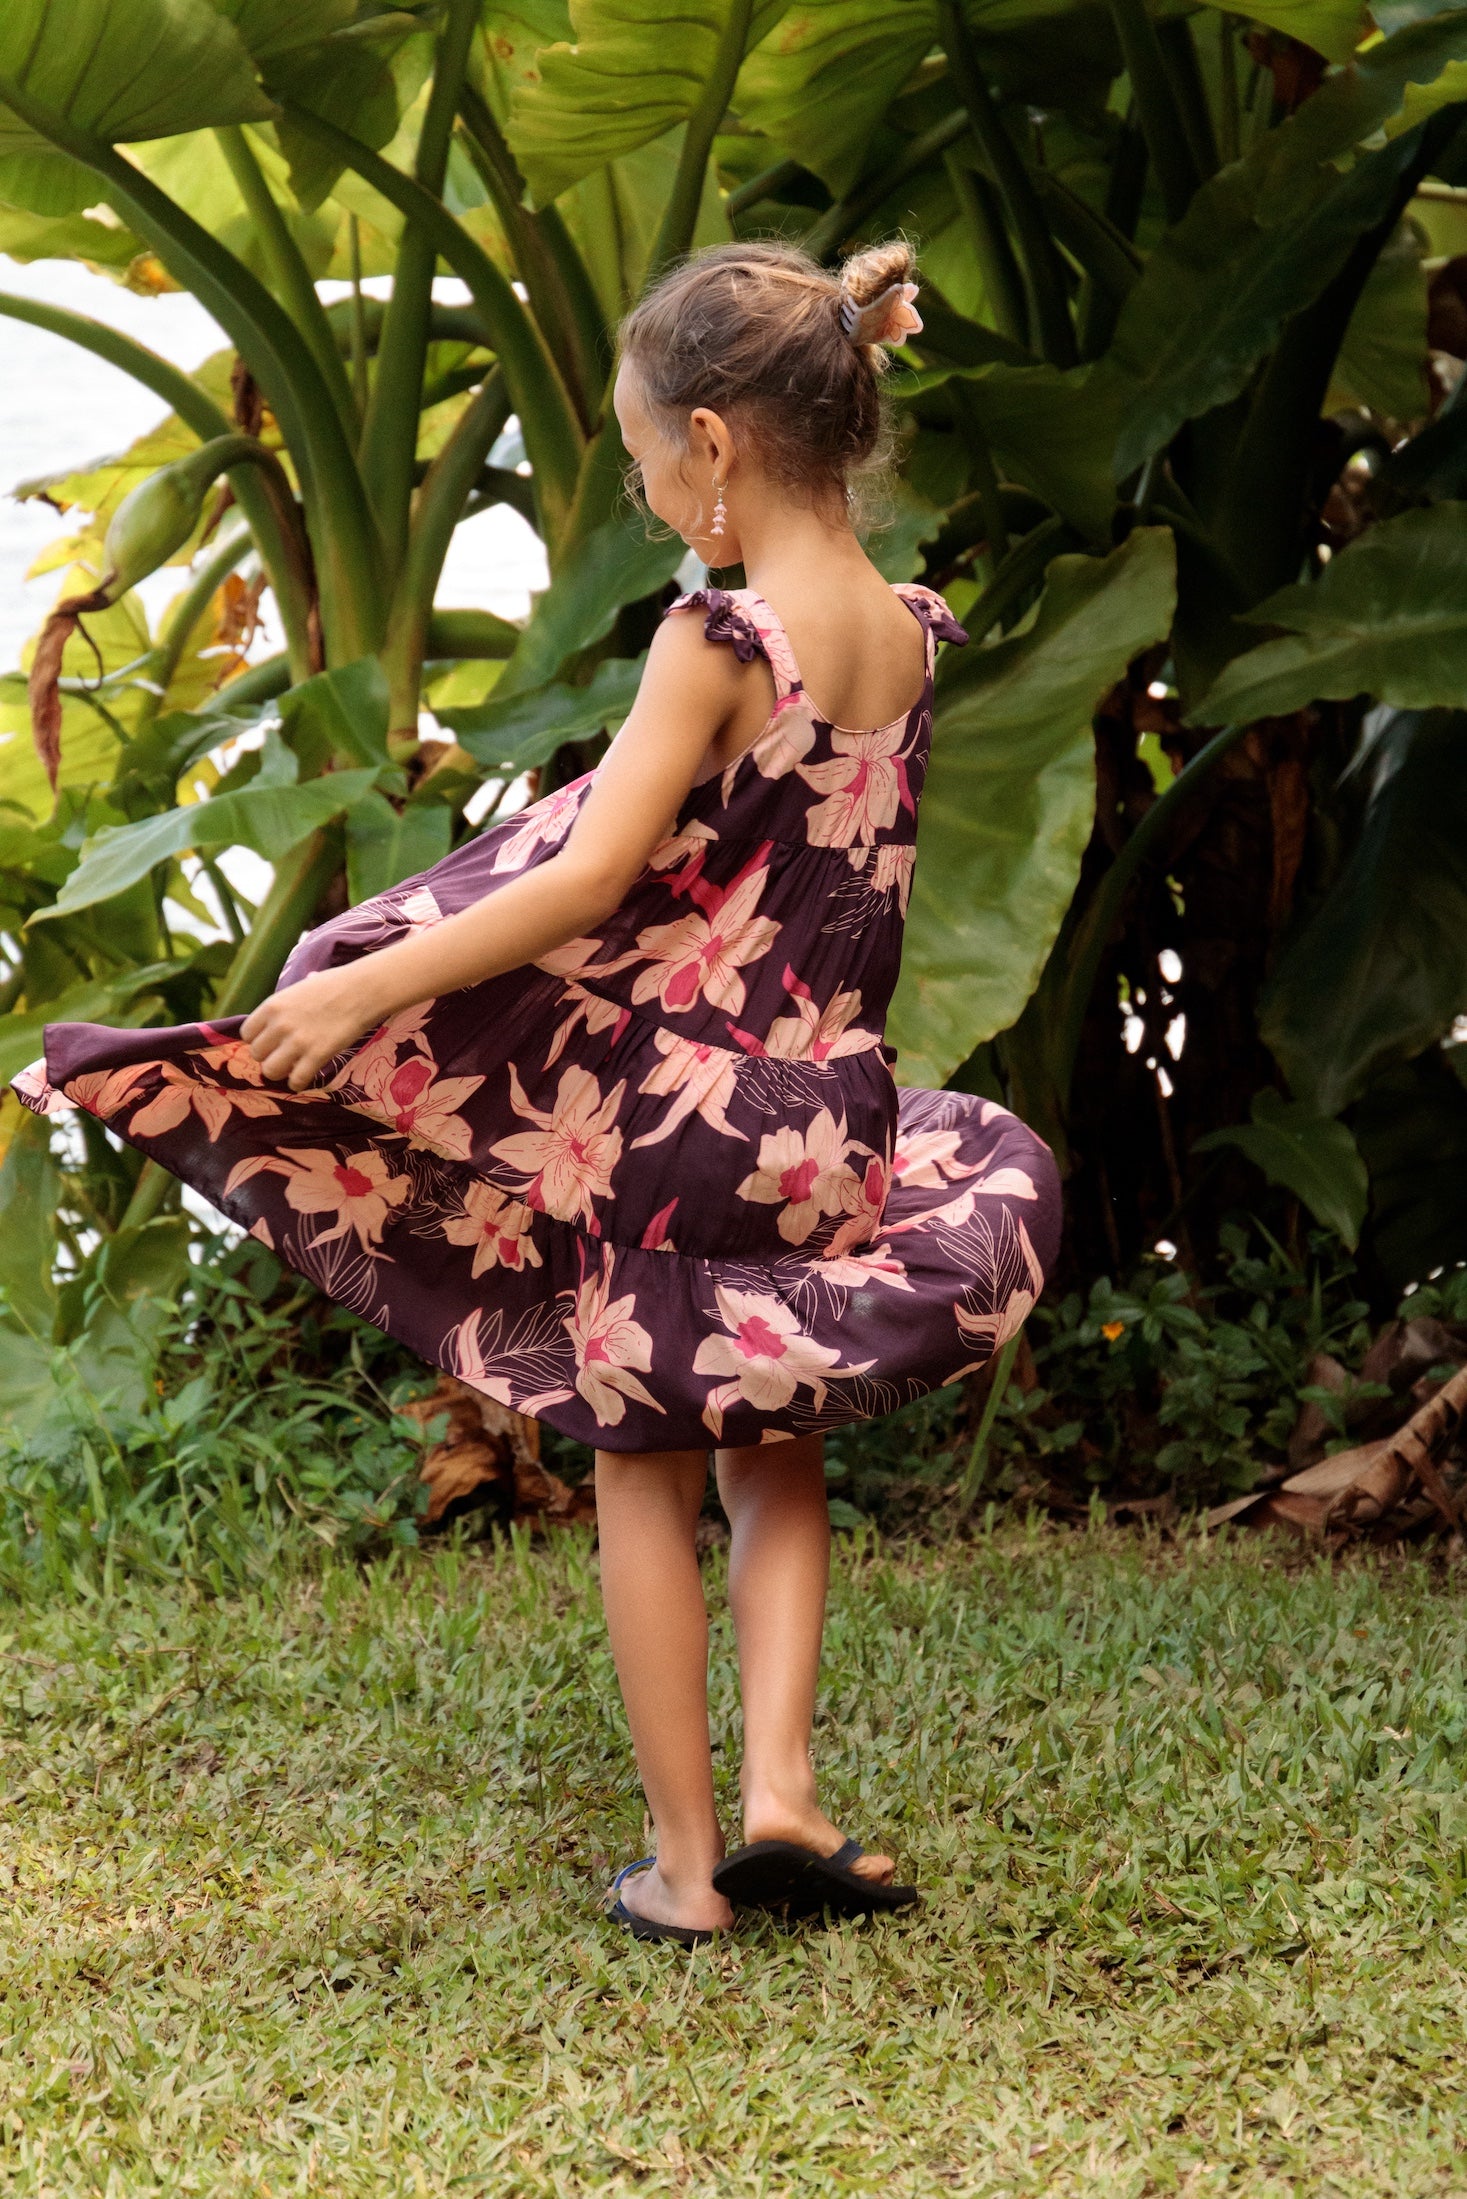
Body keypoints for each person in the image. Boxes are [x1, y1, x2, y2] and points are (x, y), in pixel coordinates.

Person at [16, 238, 1061, 1947]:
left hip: (677, 1131)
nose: (654, 496)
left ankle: (683, 1863)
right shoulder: (909, 633)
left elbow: (585, 879)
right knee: (773, 1446)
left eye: (651, 459)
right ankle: (790, 1794)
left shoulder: (718, 638)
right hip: (830, 1118)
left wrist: (364, 980)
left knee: (643, 1465)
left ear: (716, 442)